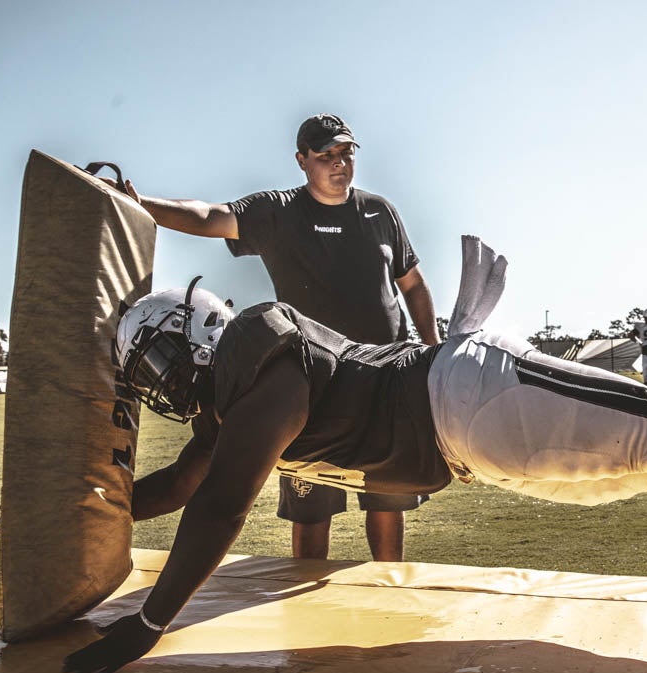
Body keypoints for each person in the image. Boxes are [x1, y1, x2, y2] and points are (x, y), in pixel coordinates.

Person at [62, 240, 647, 673]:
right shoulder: (235, 404)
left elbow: (219, 506)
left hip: (470, 403)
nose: (163, 384)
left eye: (157, 362)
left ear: (196, 331)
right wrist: (88, 508)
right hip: (473, 441)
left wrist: (148, 627)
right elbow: (182, 487)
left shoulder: (257, 355)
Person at [106, 113, 438, 562]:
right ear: (302, 160)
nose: (339, 164)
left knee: (385, 503)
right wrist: (142, 203)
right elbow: (210, 216)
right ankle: (303, 600)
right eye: (326, 156)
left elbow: (412, 284)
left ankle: (389, 593)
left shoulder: (379, 212)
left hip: (386, 382)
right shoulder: (277, 211)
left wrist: (432, 346)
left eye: (346, 154)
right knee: (310, 515)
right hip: (311, 391)